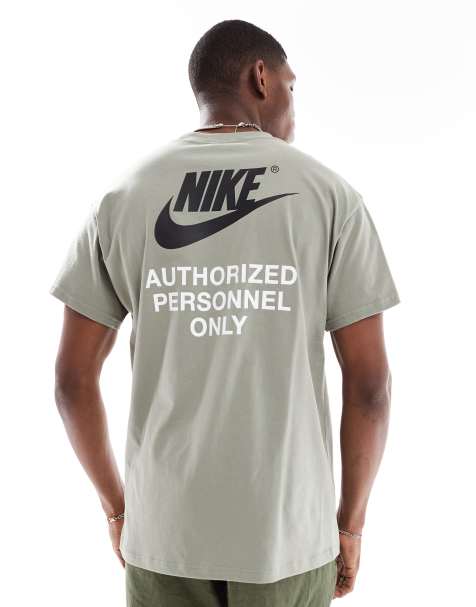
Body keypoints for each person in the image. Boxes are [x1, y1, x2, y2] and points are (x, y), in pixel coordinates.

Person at [50, 19, 400, 607]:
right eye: (291, 87)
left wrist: (119, 511)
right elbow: (371, 388)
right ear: (261, 77)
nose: (294, 110)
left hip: (164, 540)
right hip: (287, 542)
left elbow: (70, 381)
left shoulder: (122, 198)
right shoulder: (330, 197)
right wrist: (349, 525)